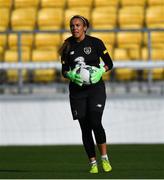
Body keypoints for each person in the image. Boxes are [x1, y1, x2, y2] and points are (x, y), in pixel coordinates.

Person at [59, 15, 113, 174]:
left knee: (95, 121)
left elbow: (110, 63)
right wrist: (70, 75)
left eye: (77, 25)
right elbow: (64, 70)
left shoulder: (96, 42)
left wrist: (101, 71)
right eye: (72, 26)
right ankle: (93, 163)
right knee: (85, 127)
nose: (74, 28)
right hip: (77, 92)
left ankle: (104, 158)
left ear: (84, 27)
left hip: (96, 89)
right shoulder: (67, 45)